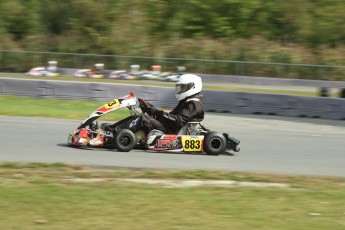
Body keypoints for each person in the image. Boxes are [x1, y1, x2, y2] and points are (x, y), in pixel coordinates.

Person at [88, 74, 204, 147]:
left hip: (172, 132)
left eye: (183, 87)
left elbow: (178, 121)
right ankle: (111, 130)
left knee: (142, 119)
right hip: (169, 127)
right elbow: (171, 117)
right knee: (138, 116)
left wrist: (156, 112)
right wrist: (150, 108)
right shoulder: (187, 101)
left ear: (192, 87)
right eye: (180, 87)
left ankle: (110, 134)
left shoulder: (194, 104)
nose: (180, 89)